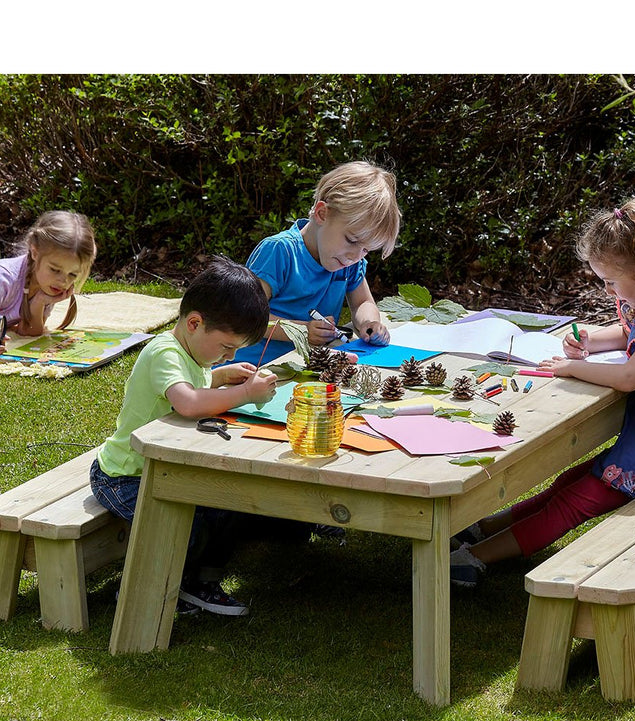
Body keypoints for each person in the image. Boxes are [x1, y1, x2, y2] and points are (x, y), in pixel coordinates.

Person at [451, 195, 635, 588]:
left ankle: (474, 559)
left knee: (576, 501)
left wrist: (572, 366)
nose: (607, 291)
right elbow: (629, 334)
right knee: (569, 482)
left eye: (610, 282)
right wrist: (592, 340)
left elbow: (630, 378)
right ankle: (487, 528)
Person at [90, 257, 278, 615]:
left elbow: (197, 383)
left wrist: (221, 375)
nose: (230, 354)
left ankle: (198, 582)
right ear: (194, 323)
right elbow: (188, 403)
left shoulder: (192, 353)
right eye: (226, 348)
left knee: (223, 505)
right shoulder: (163, 352)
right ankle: (138, 590)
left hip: (162, 467)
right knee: (184, 524)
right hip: (124, 476)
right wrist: (244, 394)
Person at [230, 160, 402, 366]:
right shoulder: (280, 251)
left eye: (366, 250)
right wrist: (301, 330)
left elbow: (362, 303)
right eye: (352, 240)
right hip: (252, 370)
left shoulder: (349, 262)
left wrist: (369, 323)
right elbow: (245, 316)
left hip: (304, 368)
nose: (355, 256)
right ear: (322, 214)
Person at [0, 210, 96, 356]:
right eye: (55, 270)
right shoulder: (2, 278)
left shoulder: (48, 285)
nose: (63, 281)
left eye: (73, 274)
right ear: (35, 252)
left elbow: (29, 332)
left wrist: (39, 302)